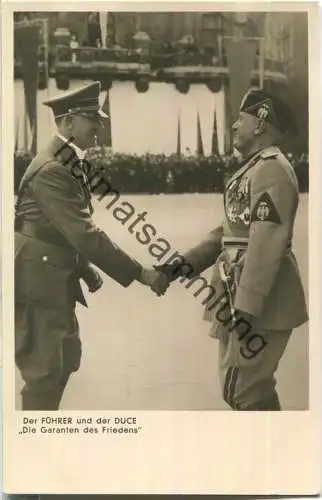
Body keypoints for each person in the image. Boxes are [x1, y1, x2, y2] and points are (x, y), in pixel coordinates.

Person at [14, 81, 168, 411]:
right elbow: (83, 233)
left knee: (64, 357)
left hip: (50, 270)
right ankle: (32, 444)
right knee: (45, 370)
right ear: (68, 122)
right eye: (91, 119)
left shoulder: (66, 161)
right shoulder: (54, 169)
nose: (99, 127)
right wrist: (141, 273)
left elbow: (60, 230)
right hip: (39, 279)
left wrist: (83, 268)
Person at [157, 88, 308, 411]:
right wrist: (181, 266)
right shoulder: (256, 167)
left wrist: (247, 307)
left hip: (258, 299)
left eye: (241, 119)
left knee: (245, 389)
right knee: (239, 388)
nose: (234, 126)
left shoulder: (271, 168)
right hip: (236, 290)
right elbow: (228, 233)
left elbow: (268, 240)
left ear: (260, 125)